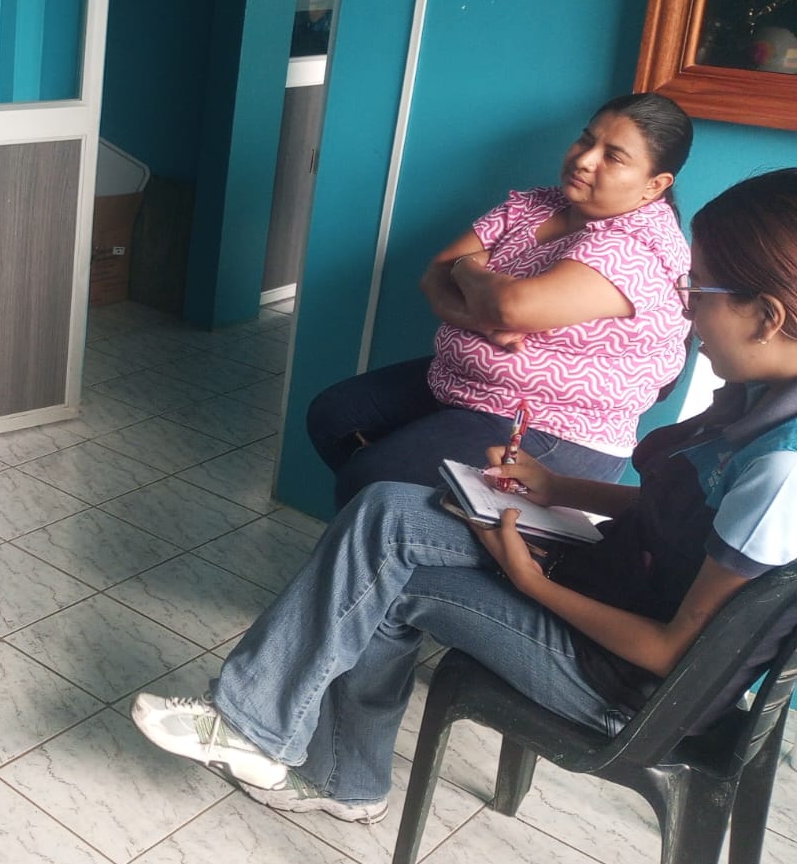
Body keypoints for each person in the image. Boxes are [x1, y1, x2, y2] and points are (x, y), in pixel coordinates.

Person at [133, 168, 797, 824]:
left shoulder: (780, 472)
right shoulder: (756, 398)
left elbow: (674, 651)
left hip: (624, 687)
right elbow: (676, 512)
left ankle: (282, 744)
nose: (685, 308)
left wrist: (531, 582)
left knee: (388, 568)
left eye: (698, 288)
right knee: (387, 511)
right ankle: (301, 752)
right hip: (613, 586)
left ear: (767, 317)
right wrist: (555, 486)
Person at [307, 92, 693, 510]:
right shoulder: (540, 204)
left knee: (371, 478)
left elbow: (511, 307)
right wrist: (482, 319)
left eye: (613, 156)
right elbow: (434, 275)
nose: (584, 159)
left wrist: (466, 269)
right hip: (468, 382)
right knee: (333, 416)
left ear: (655, 185)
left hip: (552, 423)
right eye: (586, 139)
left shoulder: (640, 246)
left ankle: (411, 522)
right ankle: (411, 517)